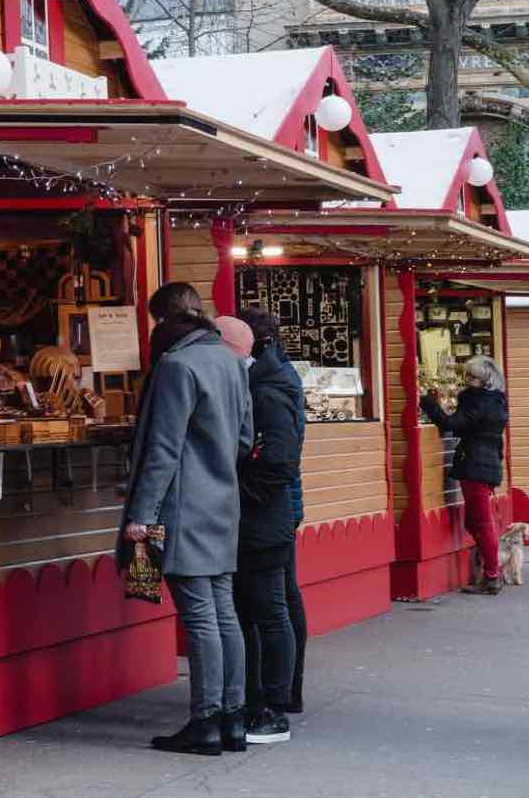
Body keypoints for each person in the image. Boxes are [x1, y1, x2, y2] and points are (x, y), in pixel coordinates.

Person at [119, 283, 254, 755]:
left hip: (184, 506)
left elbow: (163, 448)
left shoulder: (177, 365)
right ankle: (233, 719)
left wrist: (141, 514)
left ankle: (205, 723)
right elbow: (244, 437)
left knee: (201, 617)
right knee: (223, 612)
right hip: (222, 502)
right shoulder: (230, 360)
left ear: (163, 320)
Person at [223, 308, 303, 744]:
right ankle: (261, 701)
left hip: (261, 523)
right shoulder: (263, 385)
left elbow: (279, 464)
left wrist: (236, 493)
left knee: (269, 612)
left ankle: (273, 706)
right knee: (257, 613)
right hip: (258, 521)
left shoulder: (265, 393)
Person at [419, 355, 509, 595]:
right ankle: (490, 568)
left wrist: (428, 404)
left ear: (484, 380)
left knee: (481, 521)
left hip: (474, 463)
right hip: (488, 463)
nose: (466, 380)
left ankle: (492, 574)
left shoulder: (475, 401)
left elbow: (452, 424)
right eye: (466, 375)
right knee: (475, 520)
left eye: (472, 376)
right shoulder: (497, 401)